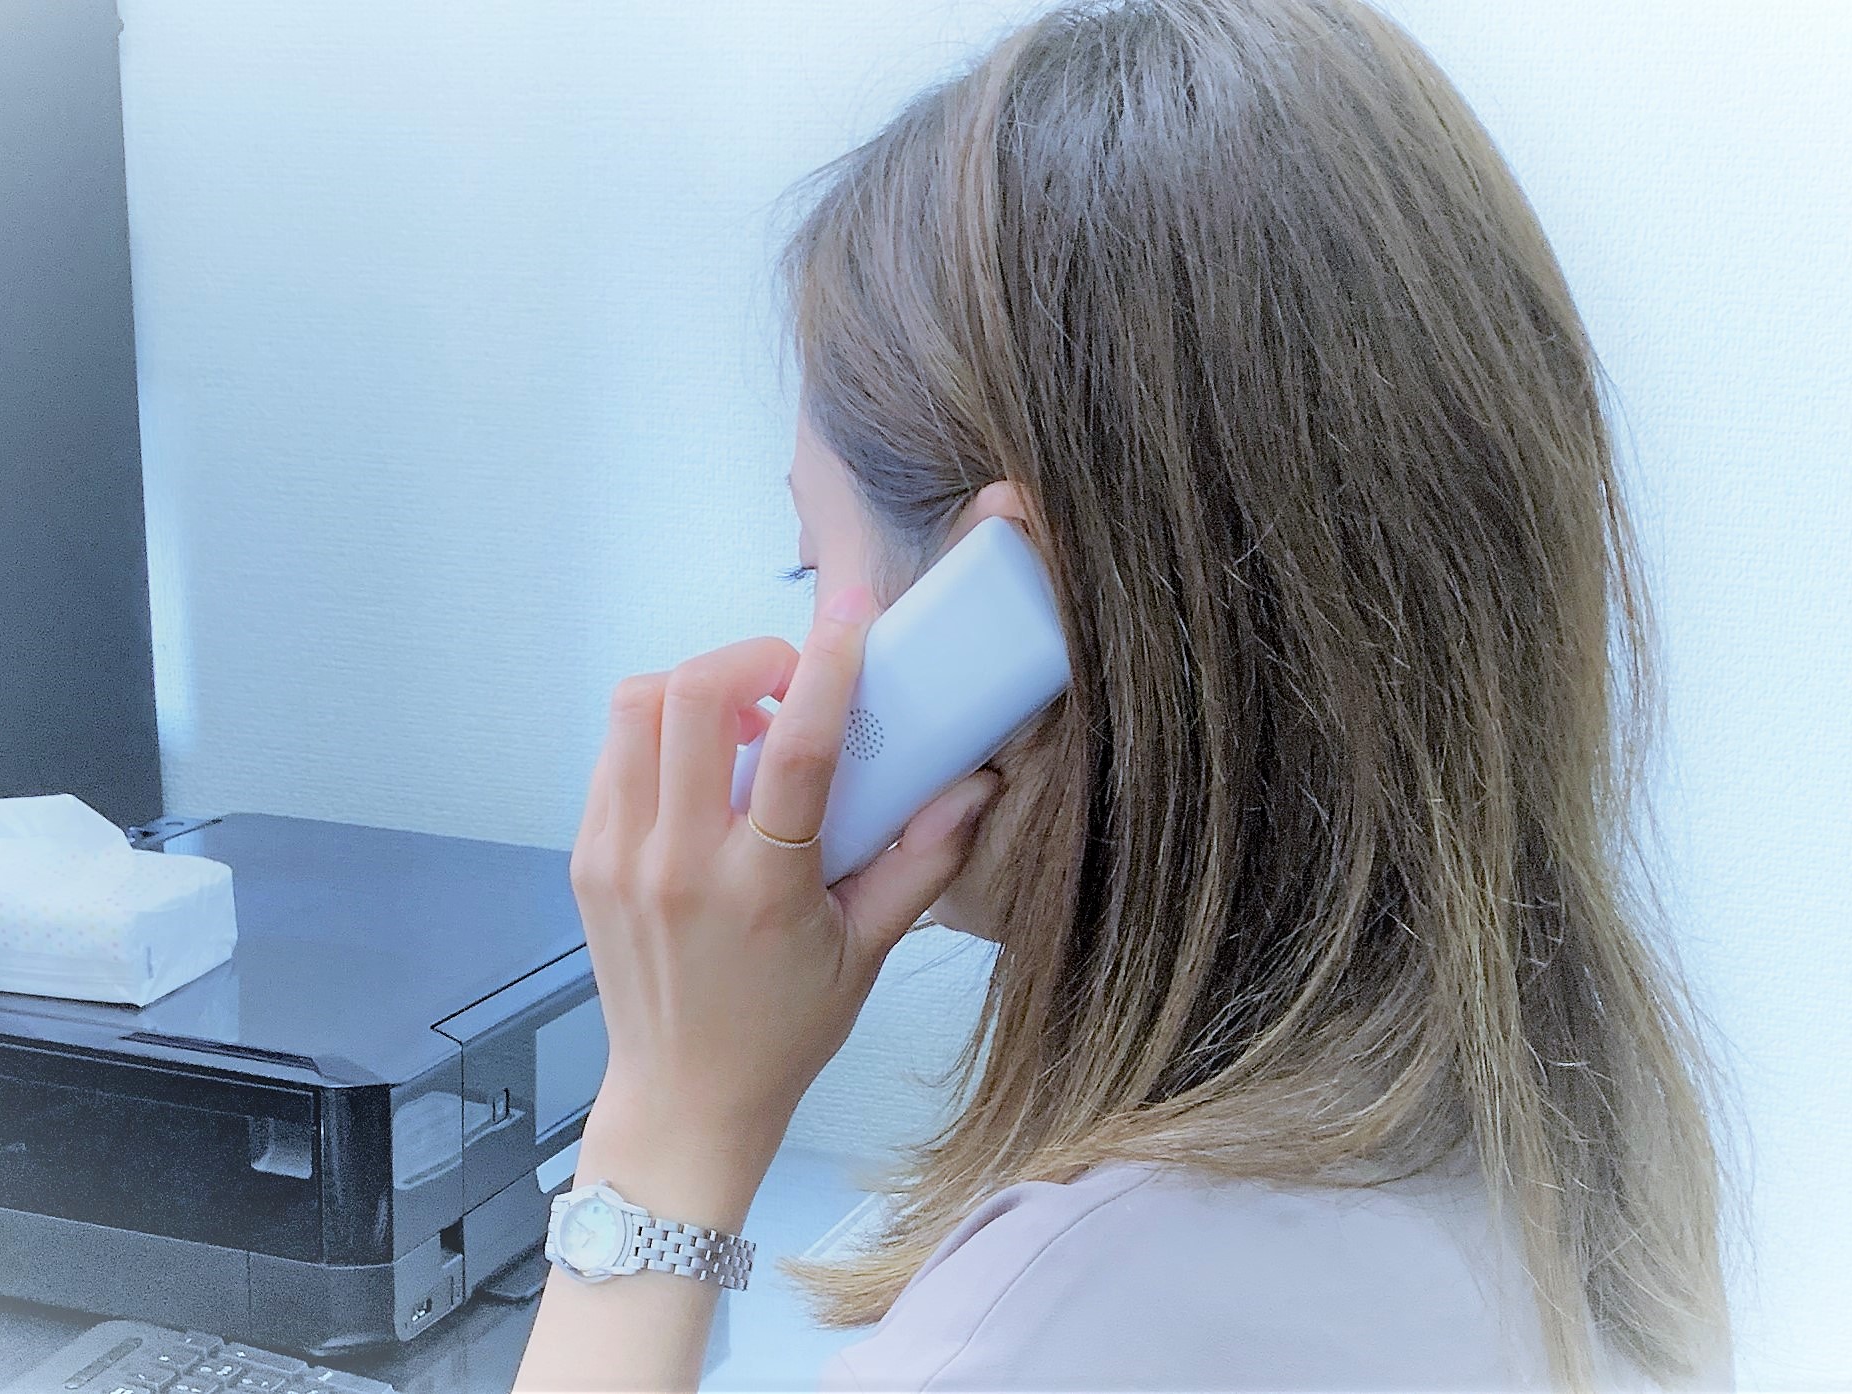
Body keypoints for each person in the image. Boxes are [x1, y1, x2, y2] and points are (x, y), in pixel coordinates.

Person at [515, 0, 1734, 1388]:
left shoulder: (1066, 1317)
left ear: (1015, 604)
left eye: (814, 564)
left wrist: (667, 1120)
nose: (802, 658)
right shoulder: (1569, 1113)